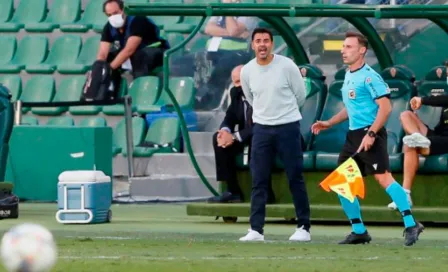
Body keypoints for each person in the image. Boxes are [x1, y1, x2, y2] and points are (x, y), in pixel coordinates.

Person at [311, 31, 424, 246]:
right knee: (342, 182)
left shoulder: (370, 76)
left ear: (362, 50)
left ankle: (411, 223)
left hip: (370, 134)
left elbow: (386, 107)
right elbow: (350, 108)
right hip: (354, 135)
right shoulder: (349, 75)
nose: (343, 50)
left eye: (349, 47)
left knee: (384, 179)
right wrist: (329, 123)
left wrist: (371, 134)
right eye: (343, 46)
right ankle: (359, 231)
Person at [238, 28, 311, 242]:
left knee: (295, 177)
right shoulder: (247, 71)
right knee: (258, 179)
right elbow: (251, 98)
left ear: (272, 43)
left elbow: (300, 95)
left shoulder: (287, 65)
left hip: (288, 127)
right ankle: (256, 230)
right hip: (261, 129)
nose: (262, 45)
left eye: (266, 41)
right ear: (252, 45)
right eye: (258, 41)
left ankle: (304, 227)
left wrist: (283, 115)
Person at [170, 0, 259, 109]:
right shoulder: (219, 7)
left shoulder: (249, 9)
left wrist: (227, 11)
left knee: (222, 65)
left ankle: (211, 101)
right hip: (212, 51)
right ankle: (192, 97)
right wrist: (229, 32)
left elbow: (234, 30)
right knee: (180, 64)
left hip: (237, 53)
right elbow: (209, 29)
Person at [387, 93, 448, 210]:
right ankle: (418, 137)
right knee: (406, 115)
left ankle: (404, 196)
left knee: (410, 145)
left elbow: (443, 99)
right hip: (439, 136)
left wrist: (422, 100)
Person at [97, 0, 169, 88]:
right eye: (109, 15)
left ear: (123, 10)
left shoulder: (137, 20)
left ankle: (139, 89)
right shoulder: (109, 27)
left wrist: (110, 68)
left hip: (158, 52)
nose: (113, 17)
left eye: (115, 13)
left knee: (138, 56)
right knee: (107, 58)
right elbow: (102, 53)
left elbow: (129, 50)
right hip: (134, 54)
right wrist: (100, 68)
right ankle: (109, 91)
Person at [207, 65, 252, 203]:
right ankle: (232, 190)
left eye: (240, 82)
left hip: (264, 133)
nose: (237, 86)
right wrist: (225, 131)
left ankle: (265, 193)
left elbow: (262, 124)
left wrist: (234, 136)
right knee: (218, 139)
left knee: (259, 140)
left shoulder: (261, 94)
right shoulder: (235, 93)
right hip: (246, 134)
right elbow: (230, 117)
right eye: (235, 82)